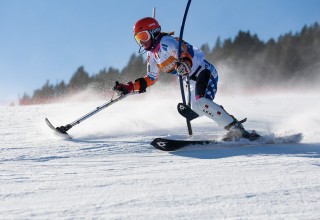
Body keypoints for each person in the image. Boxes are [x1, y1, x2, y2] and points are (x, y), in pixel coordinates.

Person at [114, 17, 259, 141]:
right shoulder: (152, 56)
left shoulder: (167, 42)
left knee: (201, 103)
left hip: (204, 72)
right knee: (197, 107)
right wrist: (130, 87)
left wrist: (184, 63)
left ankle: (236, 129)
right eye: (138, 39)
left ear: (153, 32)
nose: (142, 42)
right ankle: (231, 126)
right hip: (190, 82)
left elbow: (184, 54)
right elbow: (151, 78)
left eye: (144, 37)